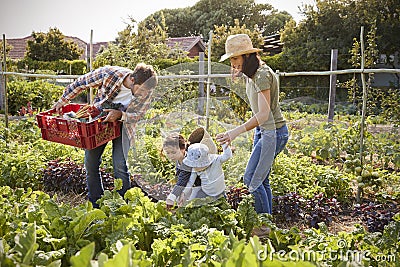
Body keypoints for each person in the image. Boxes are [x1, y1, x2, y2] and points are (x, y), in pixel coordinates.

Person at [53, 64, 158, 208]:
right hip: (100, 120)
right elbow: (81, 83)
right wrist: (63, 100)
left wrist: (120, 115)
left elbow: (138, 116)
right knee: (91, 163)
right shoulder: (109, 74)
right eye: (142, 90)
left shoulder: (147, 90)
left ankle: (123, 207)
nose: (144, 95)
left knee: (120, 165)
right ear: (132, 80)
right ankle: (96, 204)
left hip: (124, 124)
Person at [216, 34, 289, 216]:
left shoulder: (262, 76)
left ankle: (264, 227)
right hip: (264, 131)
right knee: (261, 180)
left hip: (273, 133)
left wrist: (235, 132)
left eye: (235, 58)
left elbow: (263, 114)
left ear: (247, 56)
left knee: (251, 179)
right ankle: (267, 222)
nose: (232, 63)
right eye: (231, 59)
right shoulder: (254, 73)